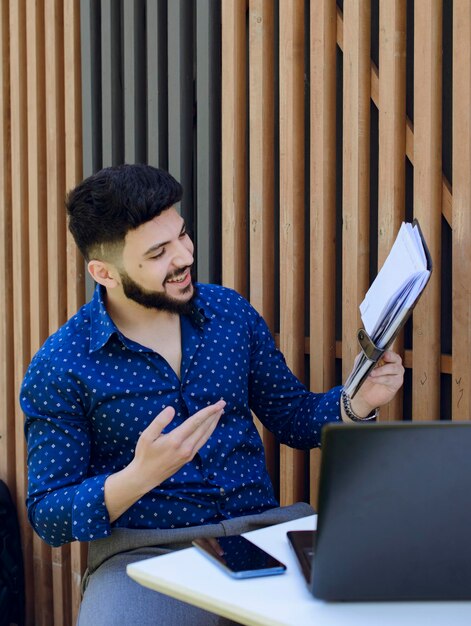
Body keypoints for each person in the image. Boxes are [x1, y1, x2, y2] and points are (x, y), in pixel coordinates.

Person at [21, 164, 404, 625]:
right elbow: (49, 514)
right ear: (104, 272)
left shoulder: (229, 313)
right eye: (159, 253)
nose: (184, 257)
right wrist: (139, 476)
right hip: (143, 553)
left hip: (262, 537)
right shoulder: (61, 365)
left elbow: (293, 416)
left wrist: (356, 402)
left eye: (182, 236)